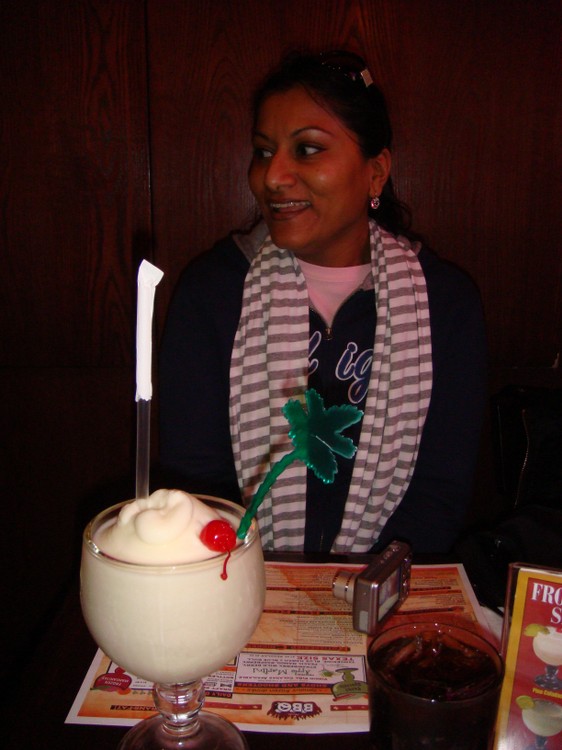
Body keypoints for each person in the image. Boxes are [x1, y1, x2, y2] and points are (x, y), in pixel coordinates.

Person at [159, 50, 487, 555]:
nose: (272, 176)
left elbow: (438, 494)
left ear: (375, 172)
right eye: (263, 151)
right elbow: (197, 481)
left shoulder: (445, 304)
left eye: (307, 149)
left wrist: (366, 588)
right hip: (239, 576)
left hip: (387, 586)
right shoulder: (214, 292)